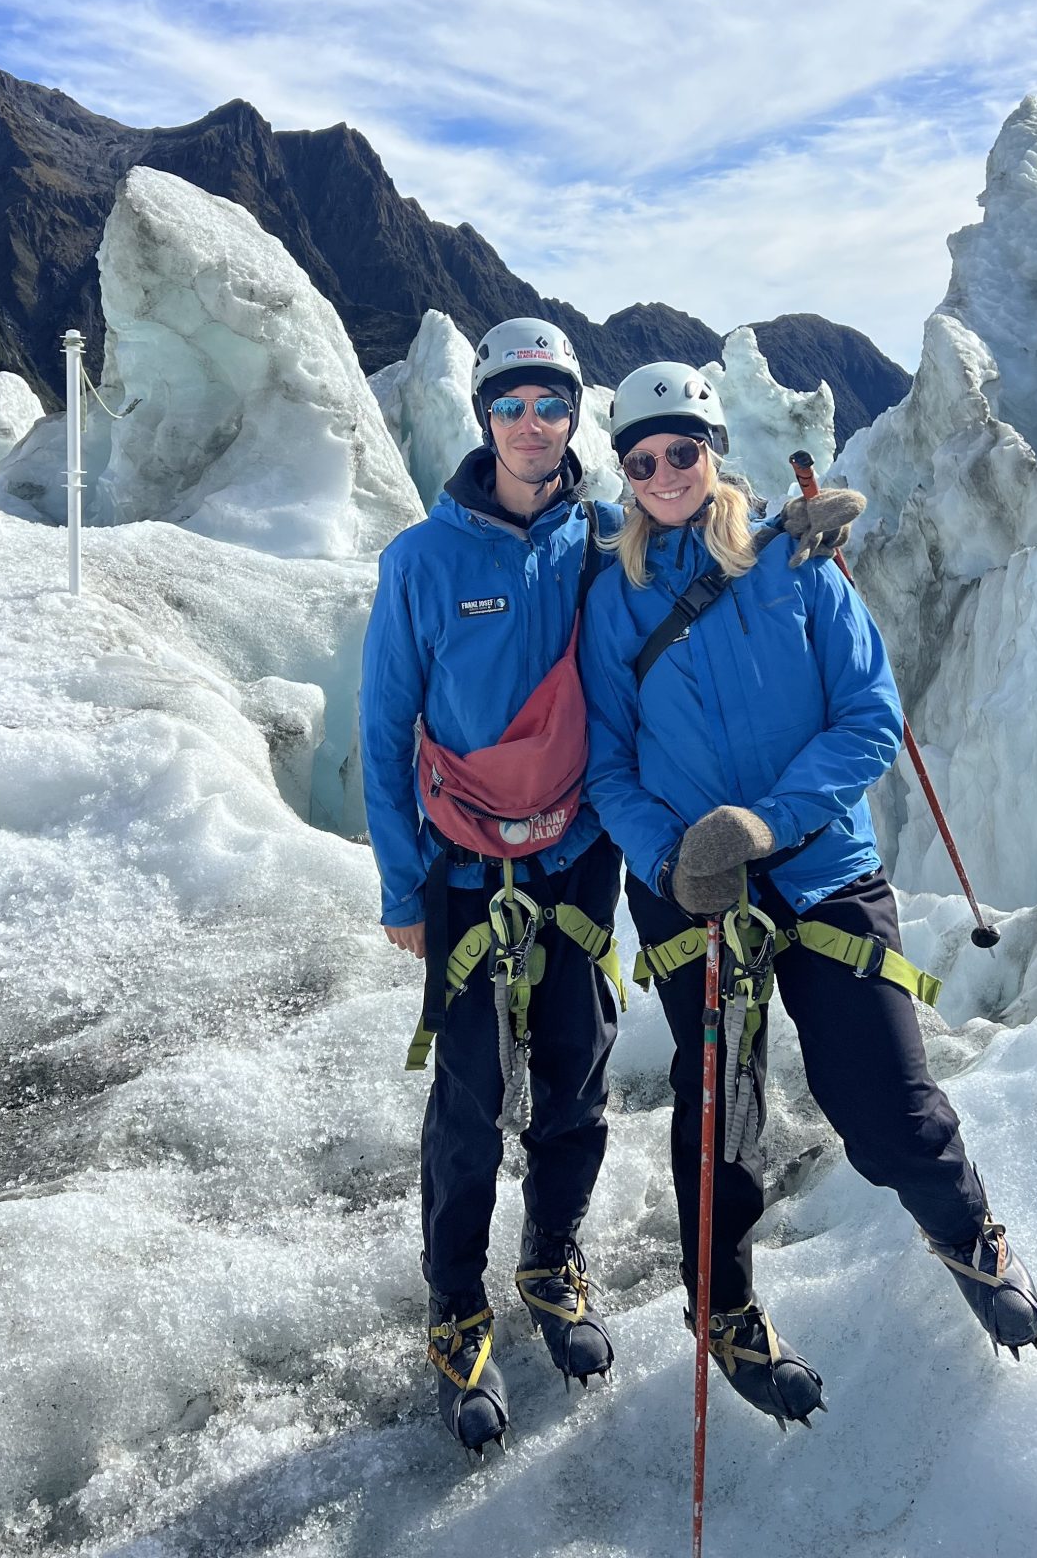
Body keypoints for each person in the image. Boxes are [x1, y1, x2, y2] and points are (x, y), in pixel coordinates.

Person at [579, 362, 1037, 1428]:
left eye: (682, 451)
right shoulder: (615, 598)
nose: (663, 474)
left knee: (885, 1097)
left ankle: (972, 1235)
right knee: (720, 1112)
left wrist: (769, 823)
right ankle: (726, 1307)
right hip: (691, 886)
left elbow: (870, 714)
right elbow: (608, 764)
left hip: (823, 864)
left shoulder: (795, 562)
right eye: (642, 458)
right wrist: (672, 859)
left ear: (713, 450)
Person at [359, 317, 627, 1455]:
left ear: (575, 415)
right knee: (469, 1100)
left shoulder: (606, 538)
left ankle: (551, 1257)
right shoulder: (422, 559)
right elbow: (384, 728)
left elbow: (711, 553)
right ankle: (456, 1304)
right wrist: (401, 885)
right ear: (483, 416)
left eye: (550, 401)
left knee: (577, 1067)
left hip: (575, 852)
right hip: (465, 866)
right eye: (511, 401)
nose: (531, 422)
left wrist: (792, 544)